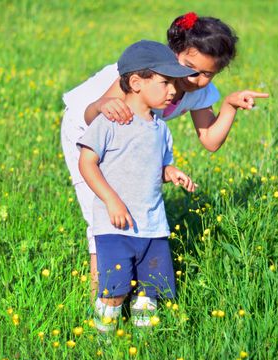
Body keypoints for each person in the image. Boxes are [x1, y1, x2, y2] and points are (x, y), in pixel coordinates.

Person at [61, 12, 268, 296]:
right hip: (87, 129)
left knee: (128, 205)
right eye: (189, 67)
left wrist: (230, 106)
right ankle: (101, 301)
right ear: (174, 52)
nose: (194, 79)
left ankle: (130, 287)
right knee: (102, 212)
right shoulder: (143, 73)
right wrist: (105, 106)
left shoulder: (194, 91)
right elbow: (90, 112)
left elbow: (209, 139)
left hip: (127, 136)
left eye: (207, 74)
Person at [77, 40, 197, 332]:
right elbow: (86, 163)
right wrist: (111, 200)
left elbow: (157, 167)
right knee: (115, 292)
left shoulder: (161, 128)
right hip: (115, 227)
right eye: (166, 82)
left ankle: (144, 348)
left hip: (153, 226)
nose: (173, 91)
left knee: (149, 292)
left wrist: (170, 172)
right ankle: (103, 343)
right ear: (135, 82)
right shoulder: (110, 122)